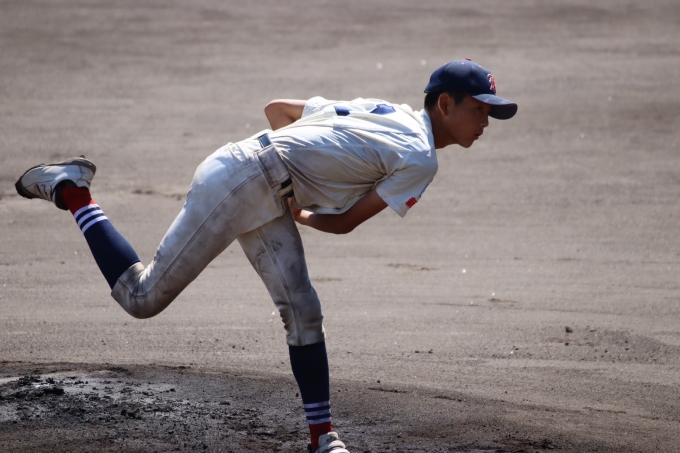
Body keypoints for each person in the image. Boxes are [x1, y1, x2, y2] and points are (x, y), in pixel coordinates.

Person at [15, 58, 517, 453]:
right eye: (480, 109)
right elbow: (344, 222)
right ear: (445, 103)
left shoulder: (384, 110)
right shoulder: (421, 158)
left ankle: (323, 438)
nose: (486, 121)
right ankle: (73, 190)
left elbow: (277, 109)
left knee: (303, 309)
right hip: (240, 183)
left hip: (254, 176)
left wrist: (297, 181)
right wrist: (303, 211)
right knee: (141, 297)